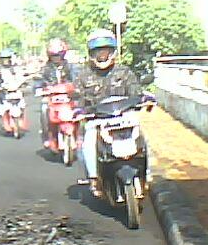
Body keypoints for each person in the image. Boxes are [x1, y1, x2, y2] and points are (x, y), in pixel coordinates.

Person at [73, 29, 141, 196]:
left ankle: (147, 172)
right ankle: (94, 179)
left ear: (113, 52)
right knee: (88, 143)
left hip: (124, 117)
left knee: (143, 139)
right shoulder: (83, 76)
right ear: (91, 53)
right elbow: (77, 97)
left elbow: (136, 91)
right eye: (98, 52)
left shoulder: (124, 72)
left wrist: (141, 99)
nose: (102, 56)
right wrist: (80, 110)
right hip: (97, 119)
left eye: (106, 51)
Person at [38, 38, 75, 143]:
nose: (56, 58)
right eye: (53, 55)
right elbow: (39, 82)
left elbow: (76, 79)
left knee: (81, 109)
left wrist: (76, 87)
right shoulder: (46, 68)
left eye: (58, 55)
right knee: (44, 109)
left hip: (68, 97)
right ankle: (46, 136)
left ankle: (81, 135)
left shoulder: (70, 67)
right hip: (51, 98)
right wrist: (41, 89)